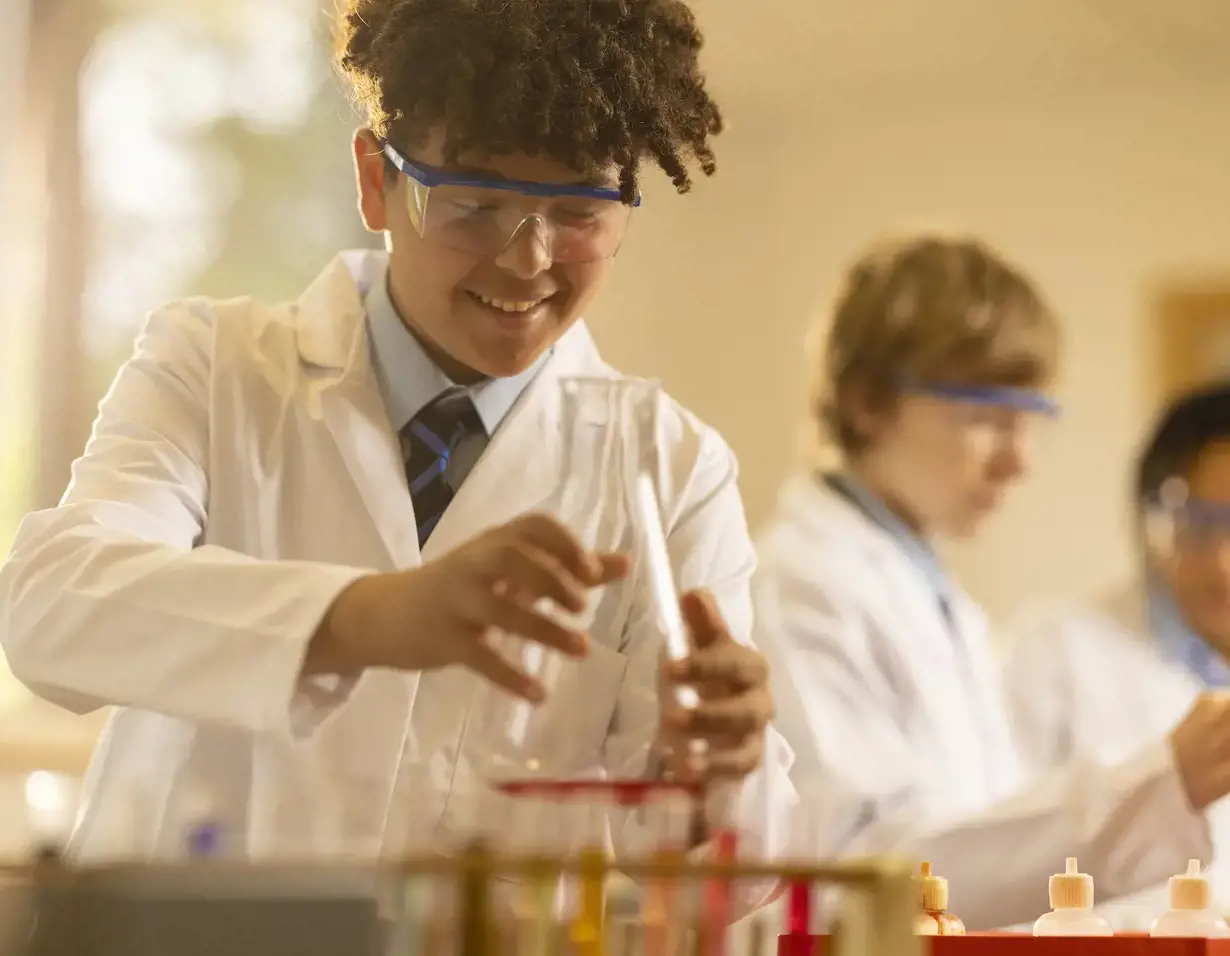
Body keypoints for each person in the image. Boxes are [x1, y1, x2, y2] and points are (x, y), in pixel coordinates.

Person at [0, 0, 790, 878]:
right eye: (475, 204)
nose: (527, 259)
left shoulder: (671, 467)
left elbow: (717, 867)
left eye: (578, 210)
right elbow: (48, 611)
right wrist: (368, 617)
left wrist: (725, 767)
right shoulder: (215, 368)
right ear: (376, 181)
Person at [752, 232, 1230, 930]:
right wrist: (1158, 786)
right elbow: (858, 877)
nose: (1021, 461)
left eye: (1033, 421)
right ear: (866, 401)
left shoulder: (932, 594)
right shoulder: (802, 585)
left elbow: (980, 855)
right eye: (987, 418)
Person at [1003, 380, 1230, 926]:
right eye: (1200, 525)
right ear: (1153, 519)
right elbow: (997, 866)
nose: (1224, 561)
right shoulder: (1054, 655)